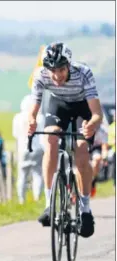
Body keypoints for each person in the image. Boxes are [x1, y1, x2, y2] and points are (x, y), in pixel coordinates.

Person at [27, 42, 103, 238]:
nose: (56, 75)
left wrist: (91, 125)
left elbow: (97, 113)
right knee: (50, 141)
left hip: (82, 107)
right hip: (58, 105)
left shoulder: (83, 73)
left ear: (69, 65)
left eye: (61, 69)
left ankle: (85, 209)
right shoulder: (40, 75)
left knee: (81, 150)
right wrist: (32, 122)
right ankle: (49, 203)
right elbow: (34, 109)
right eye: (52, 70)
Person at [13, 95, 44, 204]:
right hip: (37, 148)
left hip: (23, 148)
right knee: (37, 174)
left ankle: (22, 199)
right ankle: (37, 198)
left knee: (22, 175)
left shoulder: (17, 118)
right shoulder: (40, 117)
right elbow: (43, 135)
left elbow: (15, 135)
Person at [90, 120, 109, 197]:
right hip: (84, 147)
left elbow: (104, 147)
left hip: (96, 149)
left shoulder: (102, 131)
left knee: (97, 159)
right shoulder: (84, 127)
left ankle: (93, 180)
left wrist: (104, 158)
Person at [108, 114, 116, 186]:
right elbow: (108, 141)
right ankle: (115, 183)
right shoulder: (111, 127)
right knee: (115, 168)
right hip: (115, 150)